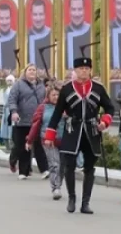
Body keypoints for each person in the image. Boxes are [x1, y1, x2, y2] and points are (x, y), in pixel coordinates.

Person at [44, 57, 114, 214]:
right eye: (81, 68)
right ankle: (72, 198)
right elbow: (56, 113)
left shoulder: (98, 88)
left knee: (89, 167)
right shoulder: (67, 89)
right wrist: (50, 135)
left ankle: (85, 203)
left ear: (90, 70)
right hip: (72, 130)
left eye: (87, 68)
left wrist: (105, 121)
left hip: (91, 131)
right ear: (75, 71)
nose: (84, 70)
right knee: (69, 166)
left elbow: (110, 108)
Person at [7, 64, 47, 179]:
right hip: (22, 120)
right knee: (23, 146)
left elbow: (45, 99)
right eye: (30, 70)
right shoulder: (18, 84)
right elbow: (12, 99)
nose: (32, 72)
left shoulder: (41, 86)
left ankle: (44, 169)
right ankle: (23, 172)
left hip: (37, 120)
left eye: (34, 70)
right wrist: (14, 112)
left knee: (39, 145)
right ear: (25, 72)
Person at [27, 83, 65, 200]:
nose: (56, 97)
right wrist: (29, 140)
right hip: (48, 140)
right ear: (48, 96)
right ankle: (56, 188)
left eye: (58, 95)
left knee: (63, 166)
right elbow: (35, 125)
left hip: (64, 140)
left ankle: (59, 183)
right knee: (54, 164)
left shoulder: (66, 108)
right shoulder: (43, 108)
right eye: (53, 95)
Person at [65, 0, 91, 68]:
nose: (77, 14)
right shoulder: (63, 33)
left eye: (80, 9)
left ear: (84, 10)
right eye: (73, 9)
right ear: (69, 10)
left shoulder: (91, 32)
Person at [26, 0, 52, 70]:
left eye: (41, 14)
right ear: (31, 15)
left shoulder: (51, 36)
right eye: (35, 14)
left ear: (45, 15)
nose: (38, 18)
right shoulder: (25, 37)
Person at [0, 3, 17, 71]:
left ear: (11, 18)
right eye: (1, 18)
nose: (4, 22)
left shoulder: (17, 39)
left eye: (7, 18)